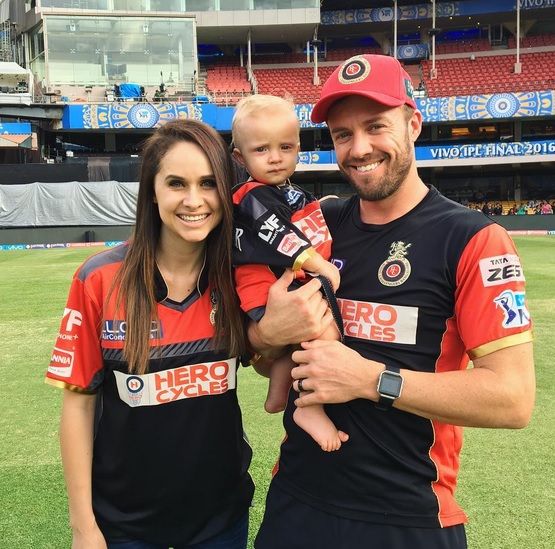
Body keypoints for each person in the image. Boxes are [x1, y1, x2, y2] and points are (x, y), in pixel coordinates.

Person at [251, 54, 535, 548]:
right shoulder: (319, 225)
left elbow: (512, 400)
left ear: (413, 124)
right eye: (343, 134)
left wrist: (368, 380)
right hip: (297, 501)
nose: (359, 148)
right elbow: (266, 358)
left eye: (376, 126)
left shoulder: (472, 239)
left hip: (408, 516)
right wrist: (265, 335)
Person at [45, 119, 254, 548]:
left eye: (209, 183)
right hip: (125, 527)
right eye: (176, 183)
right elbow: (78, 407)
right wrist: (83, 527)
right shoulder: (98, 279)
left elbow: (269, 362)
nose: (194, 200)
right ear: (152, 191)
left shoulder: (240, 278)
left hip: (220, 520)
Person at [231, 94, 347, 452]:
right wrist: (318, 265)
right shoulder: (251, 196)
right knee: (325, 332)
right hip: (263, 285)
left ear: (299, 147)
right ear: (240, 157)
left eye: (285, 147)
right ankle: (309, 406)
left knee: (292, 345)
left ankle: (279, 391)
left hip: (280, 281)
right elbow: (279, 236)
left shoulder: (290, 192)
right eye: (261, 149)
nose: (275, 157)